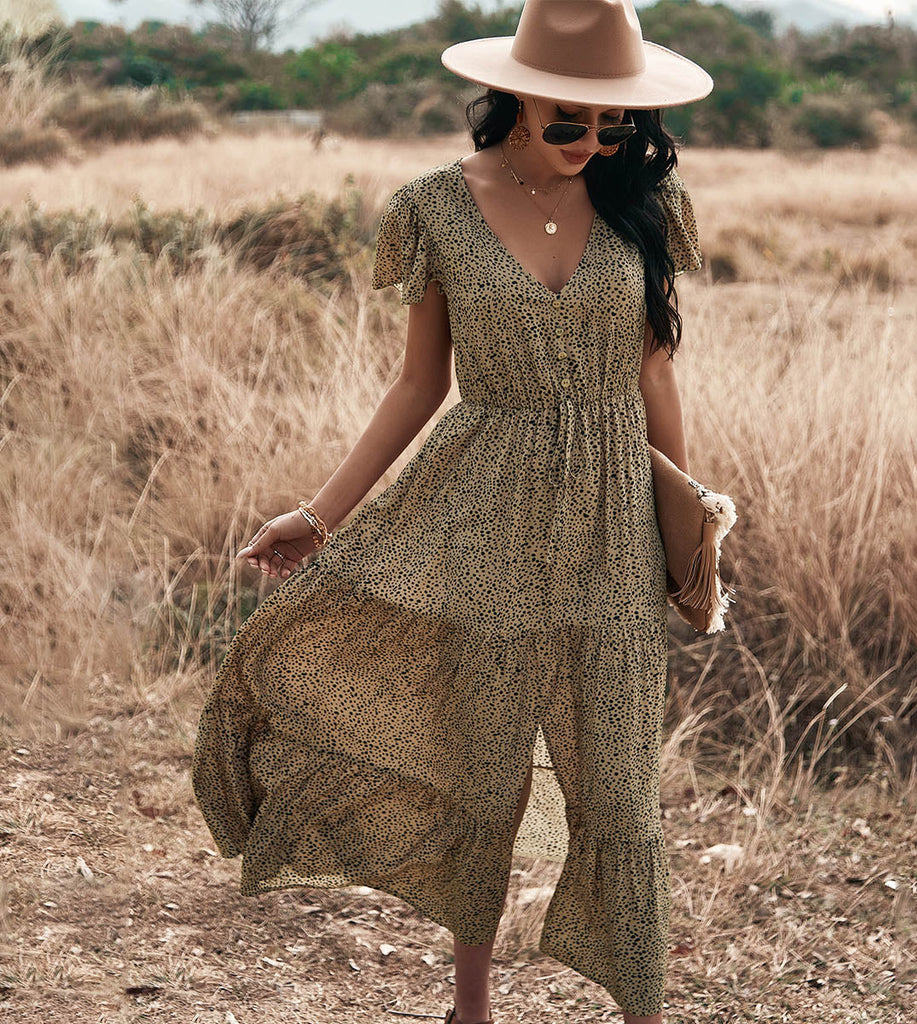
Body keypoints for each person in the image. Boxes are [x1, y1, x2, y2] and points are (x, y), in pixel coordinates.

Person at [190, 2, 713, 1023]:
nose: (596, 142)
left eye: (614, 124)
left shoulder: (645, 201)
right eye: (572, 121)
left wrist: (683, 527)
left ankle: (643, 1009)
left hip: (613, 522)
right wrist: (322, 513)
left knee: (617, 786)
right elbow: (415, 386)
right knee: (484, 774)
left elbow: (655, 375)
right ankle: (468, 1008)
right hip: (478, 512)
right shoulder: (436, 208)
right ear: (512, 98)